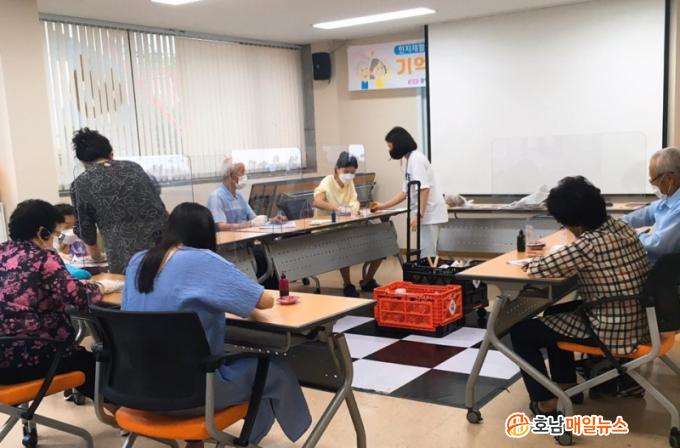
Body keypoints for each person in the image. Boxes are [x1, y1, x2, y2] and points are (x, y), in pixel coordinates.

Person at [122, 203, 311, 447]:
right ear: (207, 233)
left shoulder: (137, 261)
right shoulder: (204, 261)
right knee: (274, 370)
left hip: (137, 389)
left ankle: (212, 442)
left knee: (209, 361)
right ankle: (260, 440)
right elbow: (265, 301)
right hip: (194, 393)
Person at [510, 176, 649, 416]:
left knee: (521, 332)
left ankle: (546, 402)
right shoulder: (621, 227)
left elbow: (539, 268)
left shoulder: (589, 244)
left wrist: (536, 262)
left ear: (572, 222)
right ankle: (567, 386)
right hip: (640, 320)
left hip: (612, 331)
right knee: (555, 311)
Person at [0, 200, 108, 397]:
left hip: (3, 361)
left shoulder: (2, 252)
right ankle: (127, 411)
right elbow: (80, 296)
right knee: (94, 366)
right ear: (42, 232)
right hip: (31, 359)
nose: (55, 239)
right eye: (56, 233)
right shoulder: (43, 258)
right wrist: (103, 286)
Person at [70, 128, 168, 274]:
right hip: (163, 250)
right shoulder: (134, 168)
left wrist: (96, 257)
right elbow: (160, 208)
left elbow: (86, 231)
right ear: (110, 153)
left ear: (82, 161)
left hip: (124, 258)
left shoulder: (80, 184)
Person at [372, 127, 448, 258]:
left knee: (428, 255)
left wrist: (419, 216)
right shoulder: (410, 160)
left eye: (390, 146)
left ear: (398, 144)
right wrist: (382, 206)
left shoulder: (416, 159)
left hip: (429, 213)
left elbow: (424, 189)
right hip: (426, 213)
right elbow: (404, 192)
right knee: (426, 254)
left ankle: (428, 272)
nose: (389, 150)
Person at [314, 151, 382, 296]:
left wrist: (352, 210)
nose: (349, 175)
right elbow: (317, 202)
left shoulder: (349, 183)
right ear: (337, 169)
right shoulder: (327, 181)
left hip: (347, 225)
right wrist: (337, 209)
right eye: (346, 171)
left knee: (380, 241)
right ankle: (347, 284)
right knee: (344, 246)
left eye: (352, 172)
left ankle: (368, 280)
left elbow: (354, 202)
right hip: (328, 229)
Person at [623, 146, 680, 264]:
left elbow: (659, 244)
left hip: (667, 271)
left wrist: (631, 234)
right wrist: (618, 224)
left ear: (669, 178)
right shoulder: (669, 198)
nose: (654, 186)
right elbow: (646, 213)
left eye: (654, 181)